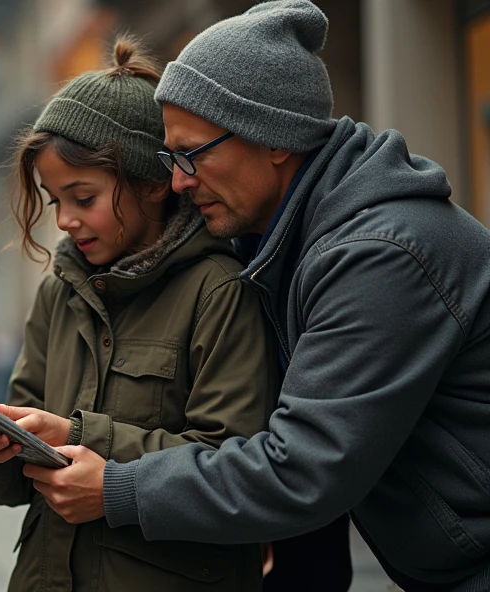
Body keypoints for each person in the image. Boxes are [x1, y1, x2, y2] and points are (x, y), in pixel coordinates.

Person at [26, 3, 490, 591]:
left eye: (192, 154)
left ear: (274, 137)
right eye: (170, 158)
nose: (178, 182)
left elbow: (303, 469)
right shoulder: (283, 239)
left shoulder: (380, 254)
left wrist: (120, 488)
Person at [0, 36, 280, 591]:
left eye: (84, 197)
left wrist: (77, 436)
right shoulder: (60, 291)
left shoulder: (218, 290)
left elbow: (234, 463)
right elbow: (21, 476)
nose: (67, 221)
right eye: (56, 202)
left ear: (152, 183)